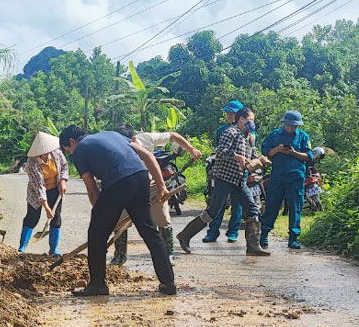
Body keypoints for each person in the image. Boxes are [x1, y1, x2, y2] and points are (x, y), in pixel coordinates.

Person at [59, 126, 176, 297]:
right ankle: (168, 283)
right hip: (141, 176)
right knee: (150, 232)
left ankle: (97, 285)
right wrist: (161, 185)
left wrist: (101, 218)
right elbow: (148, 156)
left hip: (118, 182)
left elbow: (92, 189)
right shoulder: (113, 134)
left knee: (96, 234)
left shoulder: (80, 150)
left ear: (72, 141)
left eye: (68, 150)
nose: (71, 153)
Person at [176, 108, 270, 256]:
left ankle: (253, 246)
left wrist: (261, 160)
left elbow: (253, 155)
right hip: (224, 179)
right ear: (241, 119)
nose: (252, 123)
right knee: (213, 210)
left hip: (239, 180)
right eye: (250, 120)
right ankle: (185, 235)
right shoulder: (230, 132)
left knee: (252, 209)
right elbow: (220, 151)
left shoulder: (249, 137)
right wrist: (236, 156)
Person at [109, 125, 202, 265]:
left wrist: (191, 149)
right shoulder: (113, 148)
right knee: (119, 220)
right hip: (126, 186)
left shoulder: (146, 138)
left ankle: (168, 254)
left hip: (151, 184)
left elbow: (173, 135)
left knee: (162, 217)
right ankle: (120, 256)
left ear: (133, 139)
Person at [259, 111, 314, 249]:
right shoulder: (275, 135)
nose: (292, 128)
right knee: (272, 205)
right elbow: (266, 152)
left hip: (296, 178)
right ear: (285, 124)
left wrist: (294, 152)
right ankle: (264, 234)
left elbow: (309, 156)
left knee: (296, 207)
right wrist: (277, 149)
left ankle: (293, 238)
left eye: (295, 126)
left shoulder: (303, 137)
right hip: (278, 176)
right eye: (290, 126)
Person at [18, 132, 69, 255]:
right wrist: (46, 207)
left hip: (55, 189)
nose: (46, 153)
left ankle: (53, 249)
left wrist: (62, 181)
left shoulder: (57, 153)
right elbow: (39, 186)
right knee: (32, 217)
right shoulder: (31, 163)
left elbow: (64, 166)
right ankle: (22, 246)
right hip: (36, 193)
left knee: (56, 217)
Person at [204, 100, 245, 243]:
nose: (229, 115)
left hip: (239, 173)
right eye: (227, 112)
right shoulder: (221, 131)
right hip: (223, 172)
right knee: (218, 203)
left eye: (232, 113)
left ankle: (233, 232)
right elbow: (219, 151)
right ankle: (212, 232)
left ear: (239, 116)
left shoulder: (248, 132)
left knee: (237, 204)